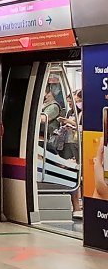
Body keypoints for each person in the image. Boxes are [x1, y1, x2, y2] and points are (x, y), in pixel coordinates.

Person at [62, 89, 83, 219]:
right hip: (71, 143)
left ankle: (78, 205)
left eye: (77, 101)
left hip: (79, 144)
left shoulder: (82, 112)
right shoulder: (71, 111)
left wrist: (71, 123)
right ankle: (76, 205)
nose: (74, 104)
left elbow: (82, 127)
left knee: (78, 173)